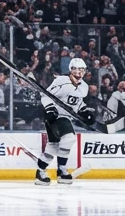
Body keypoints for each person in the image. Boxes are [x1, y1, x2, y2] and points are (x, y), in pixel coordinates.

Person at [35, 57, 89, 186]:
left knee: (53, 146)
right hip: (55, 116)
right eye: (75, 69)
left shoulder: (84, 87)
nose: (78, 72)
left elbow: (77, 102)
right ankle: (62, 170)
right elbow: (45, 95)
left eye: (81, 69)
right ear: (70, 70)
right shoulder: (62, 81)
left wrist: (84, 111)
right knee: (69, 138)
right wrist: (50, 109)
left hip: (64, 117)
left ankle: (40, 173)